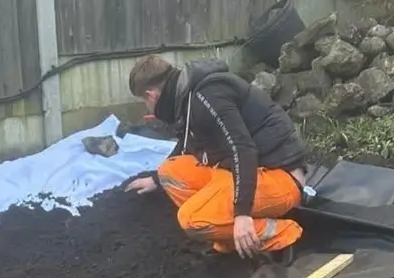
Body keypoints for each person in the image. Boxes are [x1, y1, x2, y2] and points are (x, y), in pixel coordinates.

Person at [125, 54, 309, 261]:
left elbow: (242, 149)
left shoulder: (208, 96)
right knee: (169, 171)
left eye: (144, 102)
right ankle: (229, 238)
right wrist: (155, 179)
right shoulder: (188, 95)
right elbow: (188, 145)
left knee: (192, 219)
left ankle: (283, 232)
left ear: (151, 96)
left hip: (281, 177)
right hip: (247, 172)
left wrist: (242, 213)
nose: (147, 108)